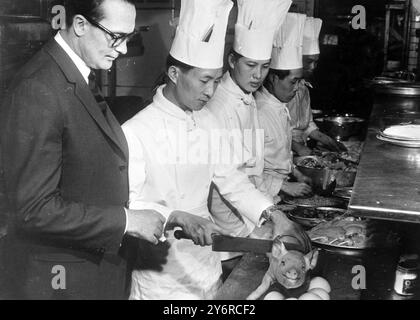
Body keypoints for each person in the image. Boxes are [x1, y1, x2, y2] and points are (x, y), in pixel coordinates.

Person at [122, 0, 310, 300]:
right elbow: (130, 207)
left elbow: (231, 180)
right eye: (204, 80)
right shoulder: (136, 131)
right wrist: (176, 216)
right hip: (161, 277)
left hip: (206, 266)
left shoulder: (207, 119)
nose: (211, 91)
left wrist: (273, 214)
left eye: (216, 79)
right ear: (174, 73)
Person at [0, 0, 166, 300]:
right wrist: (127, 221)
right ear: (79, 25)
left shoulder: (77, 74)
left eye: (129, 38)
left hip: (91, 268)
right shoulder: (38, 88)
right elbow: (35, 210)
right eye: (116, 36)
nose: (124, 49)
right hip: (60, 278)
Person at [206, 0, 304, 273]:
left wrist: (268, 217)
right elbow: (220, 188)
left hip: (253, 222)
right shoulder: (220, 107)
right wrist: (248, 234)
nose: (258, 75)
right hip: (233, 236)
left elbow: (253, 170)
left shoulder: (246, 99)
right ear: (232, 60)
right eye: (250, 65)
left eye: (264, 66)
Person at [255, 13, 313, 200]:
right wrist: (284, 186)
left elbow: (280, 156)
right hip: (263, 197)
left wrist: (297, 174)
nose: (297, 89)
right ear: (273, 78)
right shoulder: (259, 112)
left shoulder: (279, 107)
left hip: (281, 191)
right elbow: (247, 169)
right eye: (293, 82)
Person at [287, 17, 347, 157]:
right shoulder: (283, 91)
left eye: (316, 62)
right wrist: (298, 149)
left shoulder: (304, 88)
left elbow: (307, 125)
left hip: (301, 151)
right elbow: (274, 132)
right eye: (308, 62)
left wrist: (327, 140)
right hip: (284, 154)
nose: (313, 67)